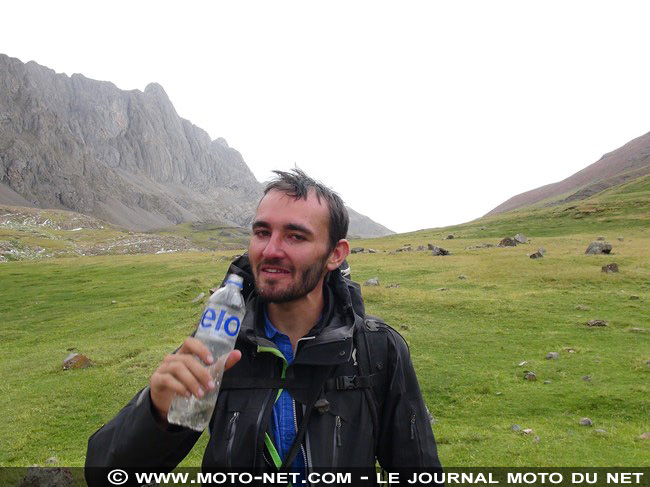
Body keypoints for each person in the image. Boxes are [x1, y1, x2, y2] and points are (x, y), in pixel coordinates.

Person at [85, 169, 441, 484]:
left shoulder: (377, 350)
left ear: (336, 254)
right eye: (261, 232)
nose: (271, 250)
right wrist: (156, 413)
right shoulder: (218, 341)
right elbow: (107, 473)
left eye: (295, 236)